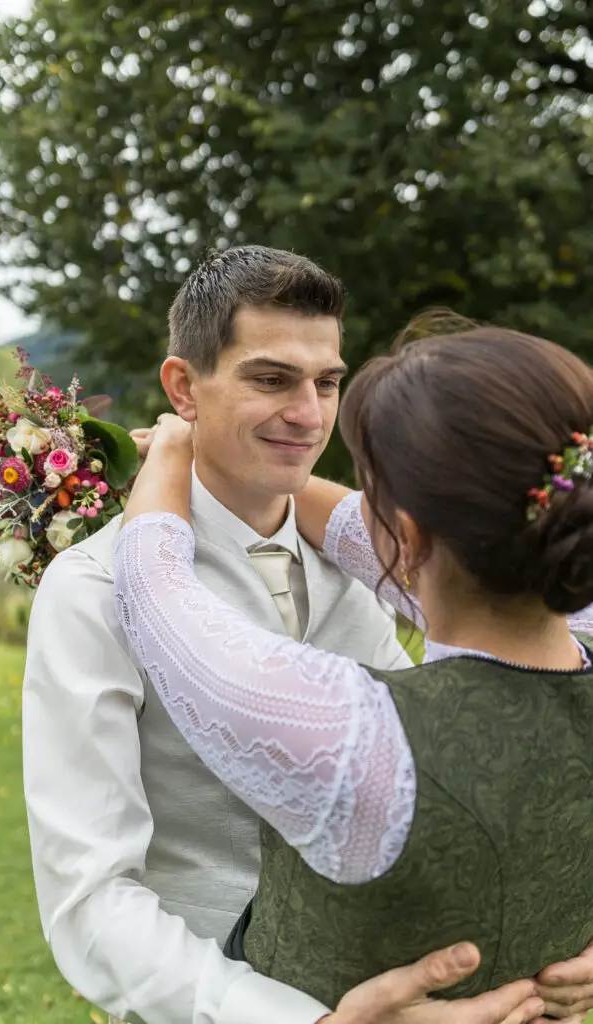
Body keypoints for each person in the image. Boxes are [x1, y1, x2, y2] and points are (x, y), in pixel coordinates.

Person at [114, 316, 593, 1023]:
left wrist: (172, 456)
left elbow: (154, 590)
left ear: (408, 536)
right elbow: (368, 536)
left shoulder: (352, 735)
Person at [23, 245, 430, 1024]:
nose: (310, 415)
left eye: (327, 382)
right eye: (271, 379)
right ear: (184, 387)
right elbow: (93, 896)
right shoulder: (95, 588)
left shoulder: (353, 563)